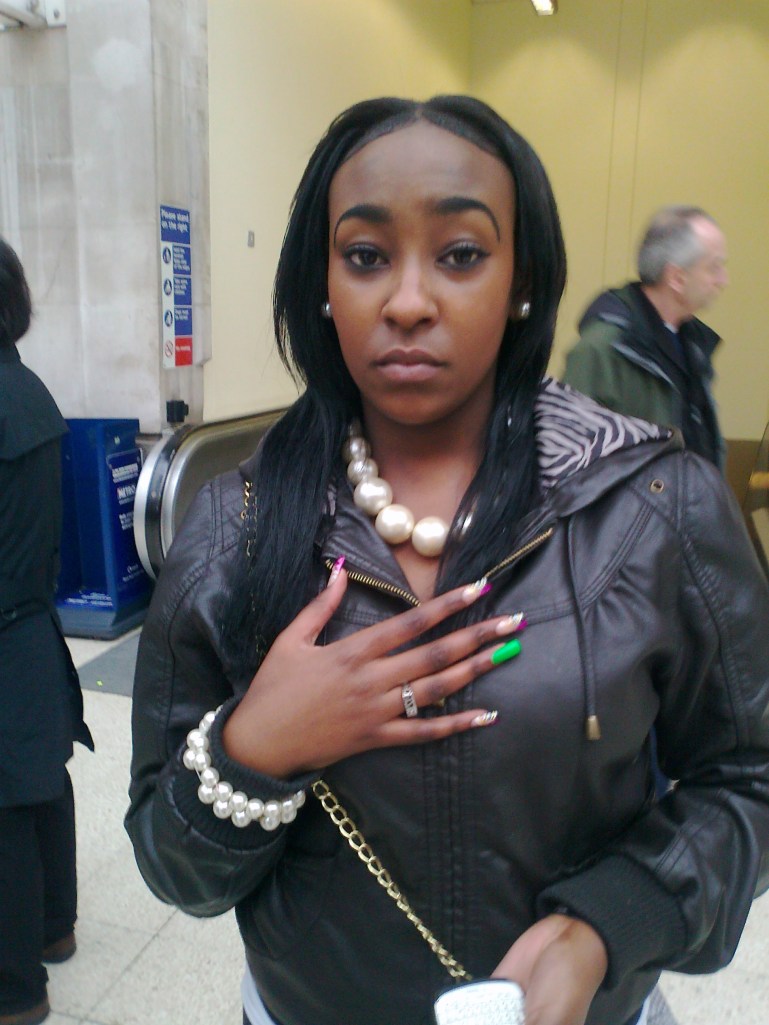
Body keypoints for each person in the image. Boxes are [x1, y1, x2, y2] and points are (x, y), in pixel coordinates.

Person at [125, 98, 769, 1025]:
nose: (408, 301)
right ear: (321, 283)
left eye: (460, 254)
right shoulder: (237, 527)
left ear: (520, 279)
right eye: (364, 256)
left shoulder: (655, 506)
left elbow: (748, 776)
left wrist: (609, 921)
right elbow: (170, 864)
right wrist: (253, 750)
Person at [0, 238, 93, 1025]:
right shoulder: (28, 387)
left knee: (5, 810)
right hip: (30, 625)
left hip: (4, 631)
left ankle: (16, 991)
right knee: (44, 783)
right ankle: (55, 927)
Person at [562, 206, 728, 469]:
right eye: (713, 267)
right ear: (677, 278)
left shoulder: (694, 344)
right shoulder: (602, 349)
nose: (722, 280)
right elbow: (569, 462)